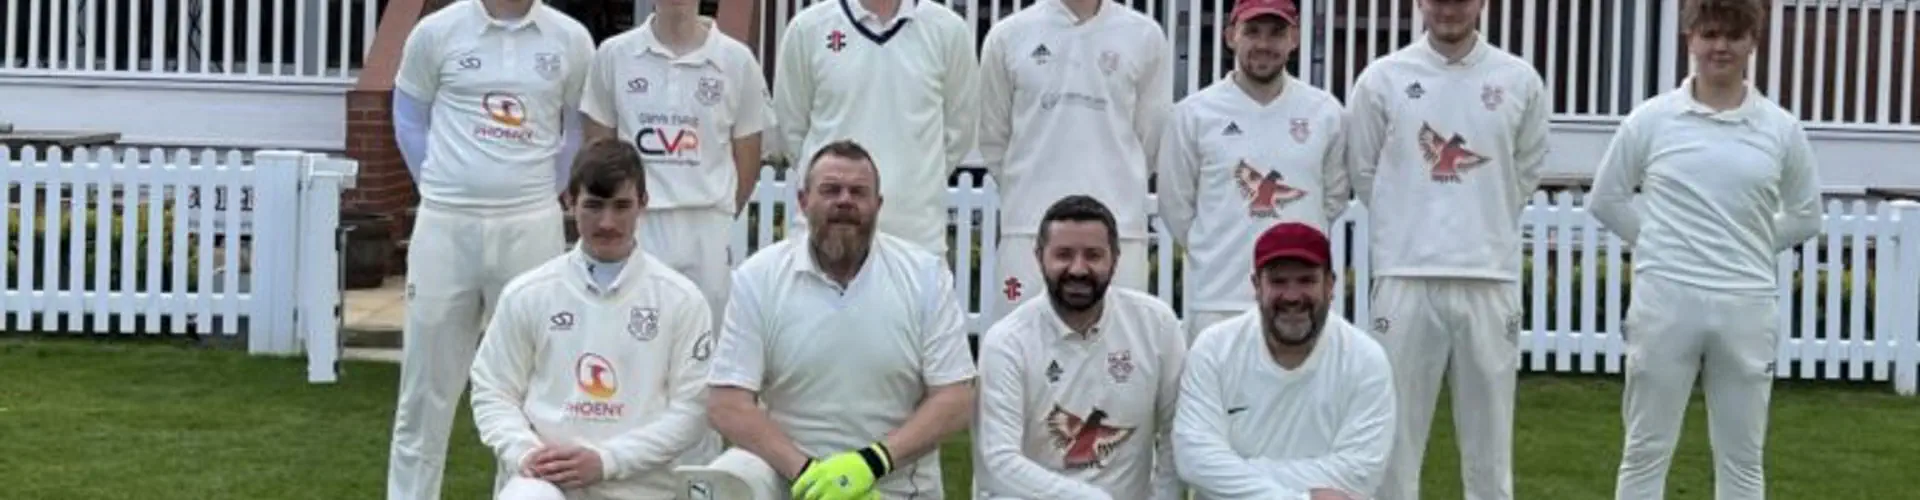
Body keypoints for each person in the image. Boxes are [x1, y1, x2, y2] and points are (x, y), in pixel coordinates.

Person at [1586, 1, 1823, 498]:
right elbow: (1607, 200)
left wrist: (1745, 247)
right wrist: (1664, 246)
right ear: (1690, 37)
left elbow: (1805, 216)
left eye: (1734, 36)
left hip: (1746, 306)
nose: (1721, 47)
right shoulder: (1651, 120)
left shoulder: (1780, 129)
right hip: (1665, 303)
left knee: (1743, 460)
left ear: (1752, 41)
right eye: (1710, 34)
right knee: (1645, 452)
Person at [385, 0, 595, 498]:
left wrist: (541, 191)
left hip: (530, 225)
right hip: (446, 225)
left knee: (532, 388)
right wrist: (440, 186)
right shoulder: (436, 31)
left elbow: (577, 130)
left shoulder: (570, 38)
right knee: (425, 389)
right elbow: (408, 117)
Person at [1343, 0, 1549, 498]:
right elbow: (1364, 171)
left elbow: (1525, 170)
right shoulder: (1383, 79)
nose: (1449, 9)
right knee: (1394, 436)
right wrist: (1409, 221)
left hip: (1489, 277)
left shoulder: (1519, 80)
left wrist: (1479, 218)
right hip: (1405, 276)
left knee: (1490, 445)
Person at [703, 140, 978, 499]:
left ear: (878, 205)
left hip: (894, 487)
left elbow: (955, 399)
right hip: (794, 485)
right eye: (830, 190)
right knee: (727, 474)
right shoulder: (759, 278)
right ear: (803, 201)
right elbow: (727, 404)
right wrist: (811, 476)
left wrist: (871, 463)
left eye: (858, 192)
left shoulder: (925, 276)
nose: (845, 201)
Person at [468, 139, 719, 499]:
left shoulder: (681, 299)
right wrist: (527, 453)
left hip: (640, 489)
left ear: (643, 204)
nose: (607, 223)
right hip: (546, 483)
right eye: (594, 206)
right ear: (570, 202)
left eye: (621, 206)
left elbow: (693, 410)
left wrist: (607, 460)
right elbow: (492, 389)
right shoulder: (528, 293)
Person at [576, 0, 770, 466]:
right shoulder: (615, 55)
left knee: (702, 360)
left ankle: (698, 475)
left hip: (705, 223)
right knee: (626, 348)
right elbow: (600, 152)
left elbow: (747, 155)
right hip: (639, 224)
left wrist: (718, 213)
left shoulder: (735, 60)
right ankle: (624, 462)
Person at [1156, 0, 1349, 343]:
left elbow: (1332, 199)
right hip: (1218, 299)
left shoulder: (1325, 112)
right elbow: (1176, 205)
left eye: (1276, 33)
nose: (1263, 44)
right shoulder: (1193, 114)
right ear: (1231, 35)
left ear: (1294, 38)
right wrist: (1214, 248)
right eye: (1252, 32)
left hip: (1297, 303)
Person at [972, 195, 1185, 500]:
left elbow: (1176, 432)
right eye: (1063, 255)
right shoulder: (1007, 342)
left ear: (1115, 258)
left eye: (1093, 255)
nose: (1078, 269)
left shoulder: (1156, 324)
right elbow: (998, 461)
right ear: (1039, 257)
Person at [974, 0, 1172, 322]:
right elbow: (994, 138)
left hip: (1119, 229)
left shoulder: (1144, 36)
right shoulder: (1008, 36)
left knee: (1120, 344)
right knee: (1022, 341)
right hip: (1027, 228)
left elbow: (1150, 137)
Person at [1173, 222, 1395, 500]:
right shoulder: (1214, 349)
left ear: (1330, 285)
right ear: (1256, 286)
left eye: (1306, 280)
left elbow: (1360, 472)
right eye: (1278, 281)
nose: (1292, 296)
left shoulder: (1365, 359)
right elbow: (1194, 459)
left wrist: (1233, 471)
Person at [771, 0, 979, 255]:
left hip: (917, 239)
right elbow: (792, 128)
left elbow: (960, 130)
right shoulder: (808, 28)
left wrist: (917, 180)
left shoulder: (948, 30)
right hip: (826, 237)